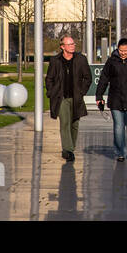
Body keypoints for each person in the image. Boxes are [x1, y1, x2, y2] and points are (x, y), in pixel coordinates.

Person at [46, 34, 91, 162]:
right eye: (70, 44)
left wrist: (81, 92)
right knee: (64, 123)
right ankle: (68, 150)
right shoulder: (55, 61)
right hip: (61, 98)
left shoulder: (81, 59)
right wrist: (51, 92)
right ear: (62, 47)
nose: (73, 46)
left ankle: (70, 148)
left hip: (76, 97)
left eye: (73, 44)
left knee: (75, 123)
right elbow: (49, 78)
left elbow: (88, 78)